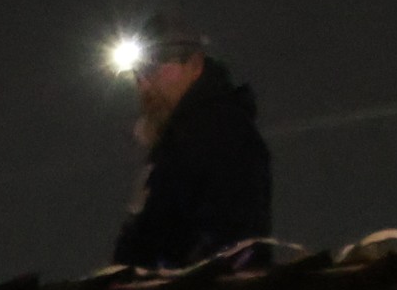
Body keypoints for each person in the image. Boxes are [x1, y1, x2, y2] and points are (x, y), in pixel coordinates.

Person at [109, 25, 274, 270]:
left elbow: (229, 241)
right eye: (138, 75)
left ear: (195, 65)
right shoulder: (181, 140)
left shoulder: (218, 134)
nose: (144, 85)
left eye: (154, 68)